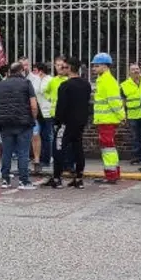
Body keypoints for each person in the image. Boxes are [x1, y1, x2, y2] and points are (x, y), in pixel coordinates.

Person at [0, 63, 39, 190]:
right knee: (23, 152)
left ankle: (5, 180)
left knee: (6, 151)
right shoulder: (26, 83)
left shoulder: (0, 85)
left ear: (9, 72)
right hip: (23, 122)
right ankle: (24, 181)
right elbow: (33, 105)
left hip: (5, 122)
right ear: (22, 71)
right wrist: (33, 118)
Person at [46, 58, 90, 189]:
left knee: (58, 148)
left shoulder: (65, 86)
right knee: (78, 148)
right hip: (80, 122)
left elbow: (61, 107)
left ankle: (57, 178)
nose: (62, 69)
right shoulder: (86, 85)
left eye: (65, 67)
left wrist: (58, 122)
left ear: (70, 68)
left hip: (66, 123)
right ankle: (79, 178)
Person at [91, 53, 125, 184]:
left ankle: (111, 175)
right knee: (109, 147)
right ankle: (113, 173)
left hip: (107, 120)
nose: (94, 68)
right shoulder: (104, 80)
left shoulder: (107, 81)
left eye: (96, 65)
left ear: (105, 66)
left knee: (108, 148)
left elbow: (115, 102)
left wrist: (121, 116)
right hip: (105, 119)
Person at [120, 63, 141, 164]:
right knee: (135, 138)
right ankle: (137, 157)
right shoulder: (124, 85)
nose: (136, 71)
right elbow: (123, 102)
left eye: (137, 69)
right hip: (132, 115)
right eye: (133, 69)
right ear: (129, 72)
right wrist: (123, 115)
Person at [27, 62, 51, 174]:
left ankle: (46, 158)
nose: (33, 73)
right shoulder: (35, 80)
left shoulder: (49, 80)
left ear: (40, 71)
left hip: (47, 111)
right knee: (37, 135)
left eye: (35, 70)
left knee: (46, 135)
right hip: (38, 111)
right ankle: (39, 158)